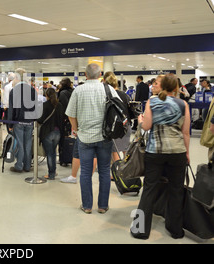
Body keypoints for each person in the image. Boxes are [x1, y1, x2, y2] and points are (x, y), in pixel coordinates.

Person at [130, 73, 190, 240]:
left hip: (155, 152)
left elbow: (147, 126)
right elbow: (185, 132)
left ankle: (140, 230)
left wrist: (141, 119)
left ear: (163, 86)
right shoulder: (183, 104)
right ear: (176, 88)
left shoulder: (152, 102)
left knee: (149, 189)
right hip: (177, 152)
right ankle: (176, 230)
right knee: (176, 190)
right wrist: (187, 153)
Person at [65, 64, 120, 214]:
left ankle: (87, 206)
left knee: (86, 172)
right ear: (100, 74)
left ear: (85, 74)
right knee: (103, 171)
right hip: (105, 137)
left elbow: (70, 113)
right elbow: (119, 111)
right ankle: (103, 206)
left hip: (85, 137)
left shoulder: (78, 90)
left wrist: (76, 129)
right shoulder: (109, 89)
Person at [7, 68, 41, 173]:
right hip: (30, 121)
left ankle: (19, 165)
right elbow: (36, 106)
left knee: (20, 144)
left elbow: (11, 109)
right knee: (28, 144)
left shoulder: (14, 91)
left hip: (18, 121)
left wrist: (10, 123)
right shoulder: (32, 90)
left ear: (17, 77)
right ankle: (27, 166)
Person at [103, 72, 132, 163]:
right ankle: (128, 171)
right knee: (125, 149)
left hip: (115, 126)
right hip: (126, 125)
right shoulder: (124, 95)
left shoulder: (108, 95)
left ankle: (117, 173)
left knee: (115, 151)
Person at [37, 88, 64, 180]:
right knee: (53, 152)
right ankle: (53, 171)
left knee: (49, 153)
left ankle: (51, 174)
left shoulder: (44, 105)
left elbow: (40, 120)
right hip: (57, 133)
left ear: (46, 95)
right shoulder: (59, 105)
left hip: (47, 132)